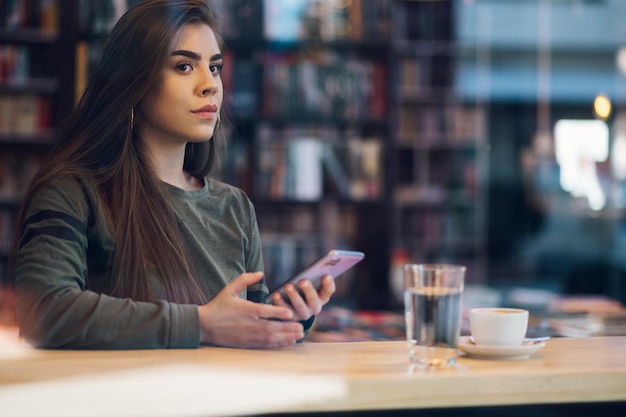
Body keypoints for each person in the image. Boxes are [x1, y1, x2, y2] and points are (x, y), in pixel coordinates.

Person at [10, 0, 335, 349]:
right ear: (133, 83)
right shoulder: (73, 191)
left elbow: (243, 327)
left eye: (214, 67)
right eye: (183, 66)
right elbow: (43, 312)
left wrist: (286, 317)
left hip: (229, 398)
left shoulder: (234, 207)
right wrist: (200, 325)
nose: (210, 84)